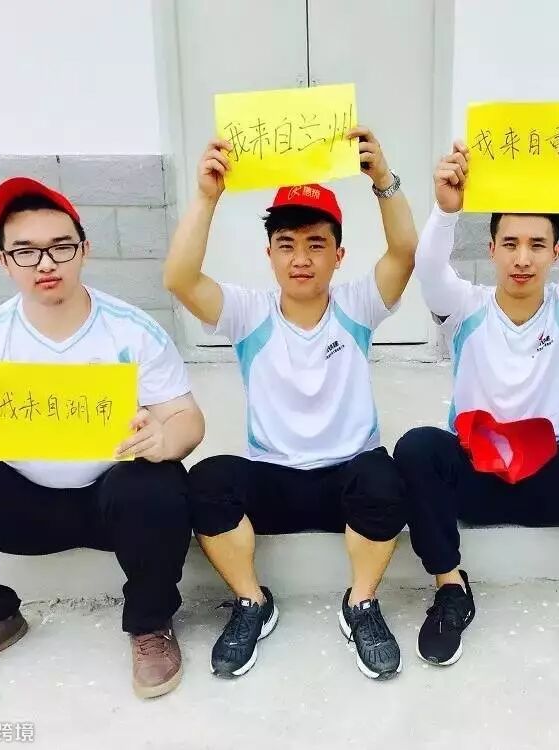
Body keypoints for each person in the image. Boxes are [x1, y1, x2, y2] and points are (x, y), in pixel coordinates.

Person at [0, 178, 204, 699]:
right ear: (3, 262)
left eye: (60, 247)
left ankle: (151, 623)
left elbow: (187, 418)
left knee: (162, 482)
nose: (45, 263)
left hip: (113, 502)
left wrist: (165, 437)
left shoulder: (131, 330)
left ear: (84, 250)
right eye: (25, 251)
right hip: (20, 504)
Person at [393, 141, 559, 676]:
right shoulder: (463, 306)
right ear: (491, 248)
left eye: (537, 245)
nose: (523, 258)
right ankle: (450, 588)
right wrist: (446, 210)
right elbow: (428, 268)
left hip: (550, 478)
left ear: (556, 253)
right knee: (417, 448)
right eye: (511, 244)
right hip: (474, 479)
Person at [164, 128, 417, 680]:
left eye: (316, 244)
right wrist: (206, 197)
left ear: (339, 254)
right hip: (273, 478)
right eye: (287, 244)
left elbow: (404, 253)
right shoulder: (247, 312)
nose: (301, 258)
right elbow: (179, 278)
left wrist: (383, 181)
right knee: (206, 481)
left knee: (388, 480)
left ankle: (361, 603)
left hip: (349, 473)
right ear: (270, 254)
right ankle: (252, 601)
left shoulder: (358, 305)